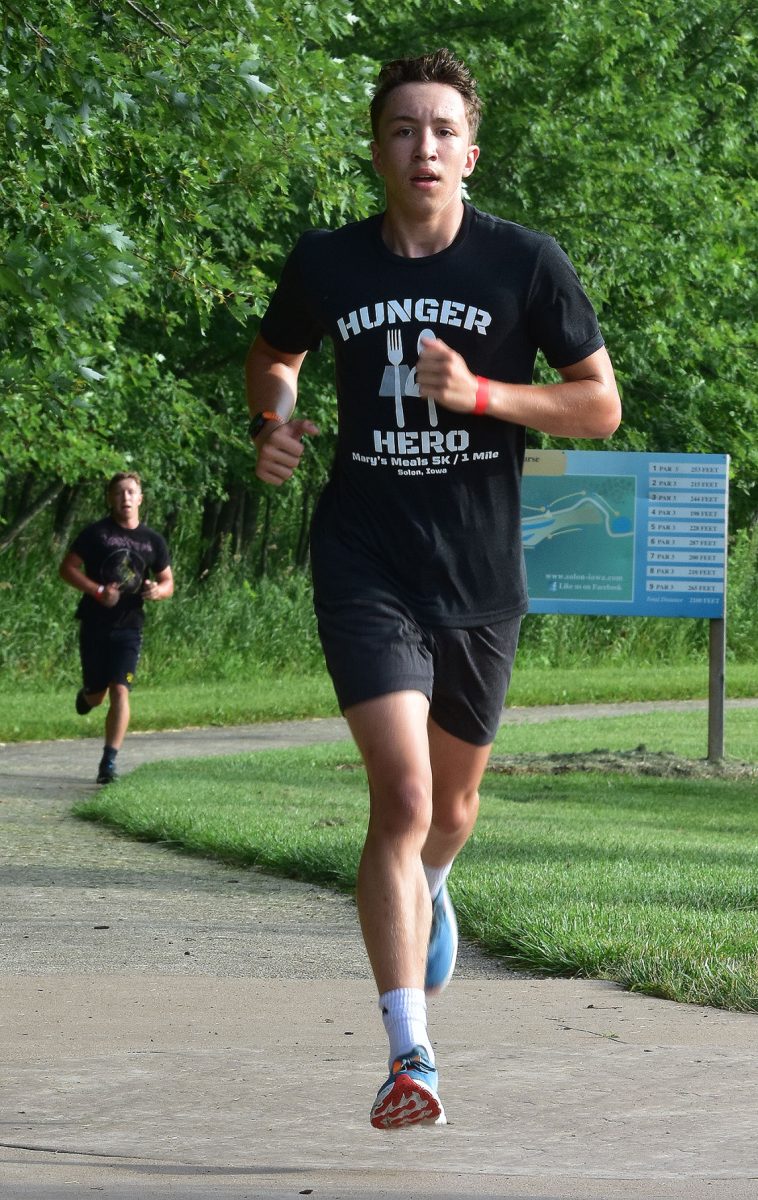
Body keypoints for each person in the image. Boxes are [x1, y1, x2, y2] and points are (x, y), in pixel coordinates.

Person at [246, 48, 621, 1129]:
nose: (421, 147)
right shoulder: (328, 262)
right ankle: (410, 1054)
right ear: (376, 148)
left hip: (479, 570)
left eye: (440, 130)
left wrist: (487, 392)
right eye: (401, 129)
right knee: (402, 799)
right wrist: (273, 420)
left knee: (448, 811)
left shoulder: (522, 263)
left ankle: (430, 886)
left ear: (468, 150)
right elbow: (274, 357)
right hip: (364, 557)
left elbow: (596, 406)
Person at [59, 471, 174, 785]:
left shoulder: (153, 541)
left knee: (121, 689)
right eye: (119, 492)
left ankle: (108, 763)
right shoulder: (96, 534)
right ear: (110, 498)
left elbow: (168, 583)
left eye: (131, 492)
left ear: (140, 498)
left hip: (130, 626)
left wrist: (156, 591)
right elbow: (66, 568)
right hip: (95, 624)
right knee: (97, 695)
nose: (125, 498)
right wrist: (97, 591)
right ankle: (87, 695)